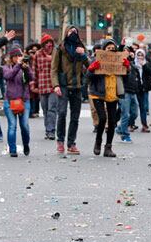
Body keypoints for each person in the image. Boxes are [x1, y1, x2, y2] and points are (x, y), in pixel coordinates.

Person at [51, 26, 89, 155]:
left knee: (75, 117)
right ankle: (60, 141)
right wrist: (55, 85)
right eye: (70, 31)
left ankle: (71, 143)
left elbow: (90, 67)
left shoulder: (81, 48)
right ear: (66, 33)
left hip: (77, 86)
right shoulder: (60, 49)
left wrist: (83, 55)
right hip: (63, 85)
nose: (73, 33)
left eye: (75, 32)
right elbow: (54, 69)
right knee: (61, 113)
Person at [87, 39, 128, 157]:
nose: (111, 50)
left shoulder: (119, 61)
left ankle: (108, 147)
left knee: (112, 121)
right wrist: (92, 68)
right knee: (102, 118)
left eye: (112, 48)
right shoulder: (96, 60)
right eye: (108, 48)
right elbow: (88, 77)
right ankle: (98, 141)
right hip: (98, 93)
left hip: (112, 93)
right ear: (103, 50)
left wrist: (127, 67)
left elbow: (126, 77)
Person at [2, 47, 34, 157]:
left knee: (24, 125)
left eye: (19, 56)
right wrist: (18, 65)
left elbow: (32, 77)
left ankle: (26, 144)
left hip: (24, 100)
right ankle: (12, 149)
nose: (17, 58)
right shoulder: (7, 67)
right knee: (12, 125)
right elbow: (8, 76)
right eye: (15, 56)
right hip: (10, 101)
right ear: (11, 58)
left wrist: (27, 68)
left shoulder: (23, 67)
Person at [34, 36, 58, 140]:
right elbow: (34, 71)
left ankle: (51, 131)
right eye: (47, 43)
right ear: (43, 44)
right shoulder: (37, 54)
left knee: (52, 109)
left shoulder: (56, 54)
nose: (49, 45)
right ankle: (47, 130)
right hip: (42, 86)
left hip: (54, 87)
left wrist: (53, 59)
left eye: (51, 42)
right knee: (45, 110)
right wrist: (33, 85)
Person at [116, 45, 137, 144]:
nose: (126, 52)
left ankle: (120, 128)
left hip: (132, 91)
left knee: (134, 113)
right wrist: (121, 47)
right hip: (124, 91)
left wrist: (132, 59)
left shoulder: (131, 62)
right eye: (124, 51)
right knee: (125, 114)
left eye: (127, 51)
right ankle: (125, 135)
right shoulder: (119, 62)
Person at [133, 49, 151, 132]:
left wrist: (144, 65)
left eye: (142, 55)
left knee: (143, 107)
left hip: (144, 88)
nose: (140, 57)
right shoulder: (133, 64)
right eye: (138, 55)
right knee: (133, 108)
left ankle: (144, 125)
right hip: (135, 88)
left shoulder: (147, 63)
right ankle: (131, 124)